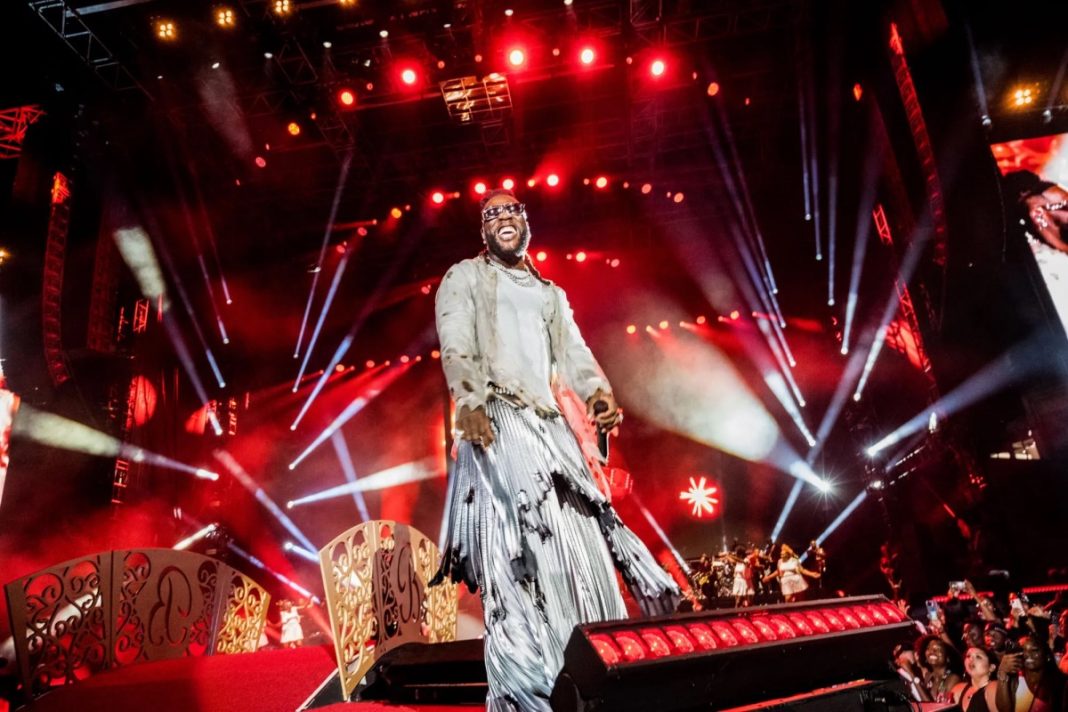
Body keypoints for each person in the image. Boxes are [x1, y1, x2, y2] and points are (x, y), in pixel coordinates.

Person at [430, 189, 680, 712]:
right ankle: (531, 687)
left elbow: (572, 350)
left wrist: (597, 393)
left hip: (552, 430)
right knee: (521, 551)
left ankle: (596, 679)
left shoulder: (549, 293)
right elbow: (455, 339)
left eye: (512, 212)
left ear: (526, 225)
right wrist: (468, 400)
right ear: (483, 230)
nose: (503, 219)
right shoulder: (465, 277)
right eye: (492, 213)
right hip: (499, 419)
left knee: (585, 547)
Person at [1012, 634, 1068, 712]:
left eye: (1034, 650)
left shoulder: (1062, 684)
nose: (1028, 654)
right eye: (1024, 650)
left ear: (1047, 656)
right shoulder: (1017, 679)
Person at [950, 646, 1015, 712]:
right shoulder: (958, 689)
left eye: (978, 657)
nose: (971, 659)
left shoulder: (992, 687)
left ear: (991, 667)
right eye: (968, 656)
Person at [915, 633, 964, 705]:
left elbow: (935, 708)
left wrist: (912, 676)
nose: (932, 651)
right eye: (929, 648)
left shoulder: (953, 679)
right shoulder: (928, 677)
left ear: (948, 658)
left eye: (938, 649)